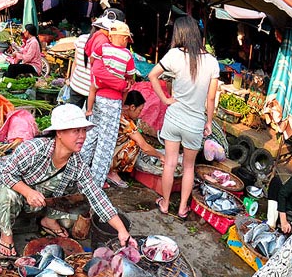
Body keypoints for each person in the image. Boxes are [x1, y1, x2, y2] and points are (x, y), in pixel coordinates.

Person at [0, 103, 131, 257]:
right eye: (75, 131)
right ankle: (6, 234)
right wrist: (27, 192)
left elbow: (96, 196)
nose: (82, 136)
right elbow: (7, 173)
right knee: (7, 193)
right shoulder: (34, 148)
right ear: (59, 133)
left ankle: (48, 219)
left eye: (83, 130)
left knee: (79, 198)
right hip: (19, 188)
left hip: (43, 198)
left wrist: (121, 230)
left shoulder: (78, 164)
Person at [148, 15, 219, 219]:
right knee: (189, 167)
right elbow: (211, 98)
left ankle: (165, 203)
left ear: (180, 34)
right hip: (195, 122)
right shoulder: (212, 61)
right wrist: (208, 122)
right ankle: (182, 209)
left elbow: (152, 75)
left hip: (174, 117)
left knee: (170, 163)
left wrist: (165, 99)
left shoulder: (173, 55)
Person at [79, 20, 135, 188]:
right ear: (124, 38)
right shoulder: (127, 56)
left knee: (91, 137)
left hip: (97, 98)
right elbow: (129, 80)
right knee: (106, 144)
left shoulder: (101, 48)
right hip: (113, 101)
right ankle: (94, 185)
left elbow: (95, 69)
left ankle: (77, 174)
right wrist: (121, 86)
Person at [64, 8, 125, 109]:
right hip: (94, 91)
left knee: (72, 118)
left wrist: (70, 80)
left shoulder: (81, 39)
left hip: (76, 84)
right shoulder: (109, 48)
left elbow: (75, 63)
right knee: (88, 121)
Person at [107, 90, 165, 188]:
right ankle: (111, 172)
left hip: (106, 151)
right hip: (109, 156)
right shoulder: (126, 122)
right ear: (132, 107)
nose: (140, 114)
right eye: (139, 110)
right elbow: (144, 146)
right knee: (134, 145)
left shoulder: (117, 112)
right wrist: (161, 156)